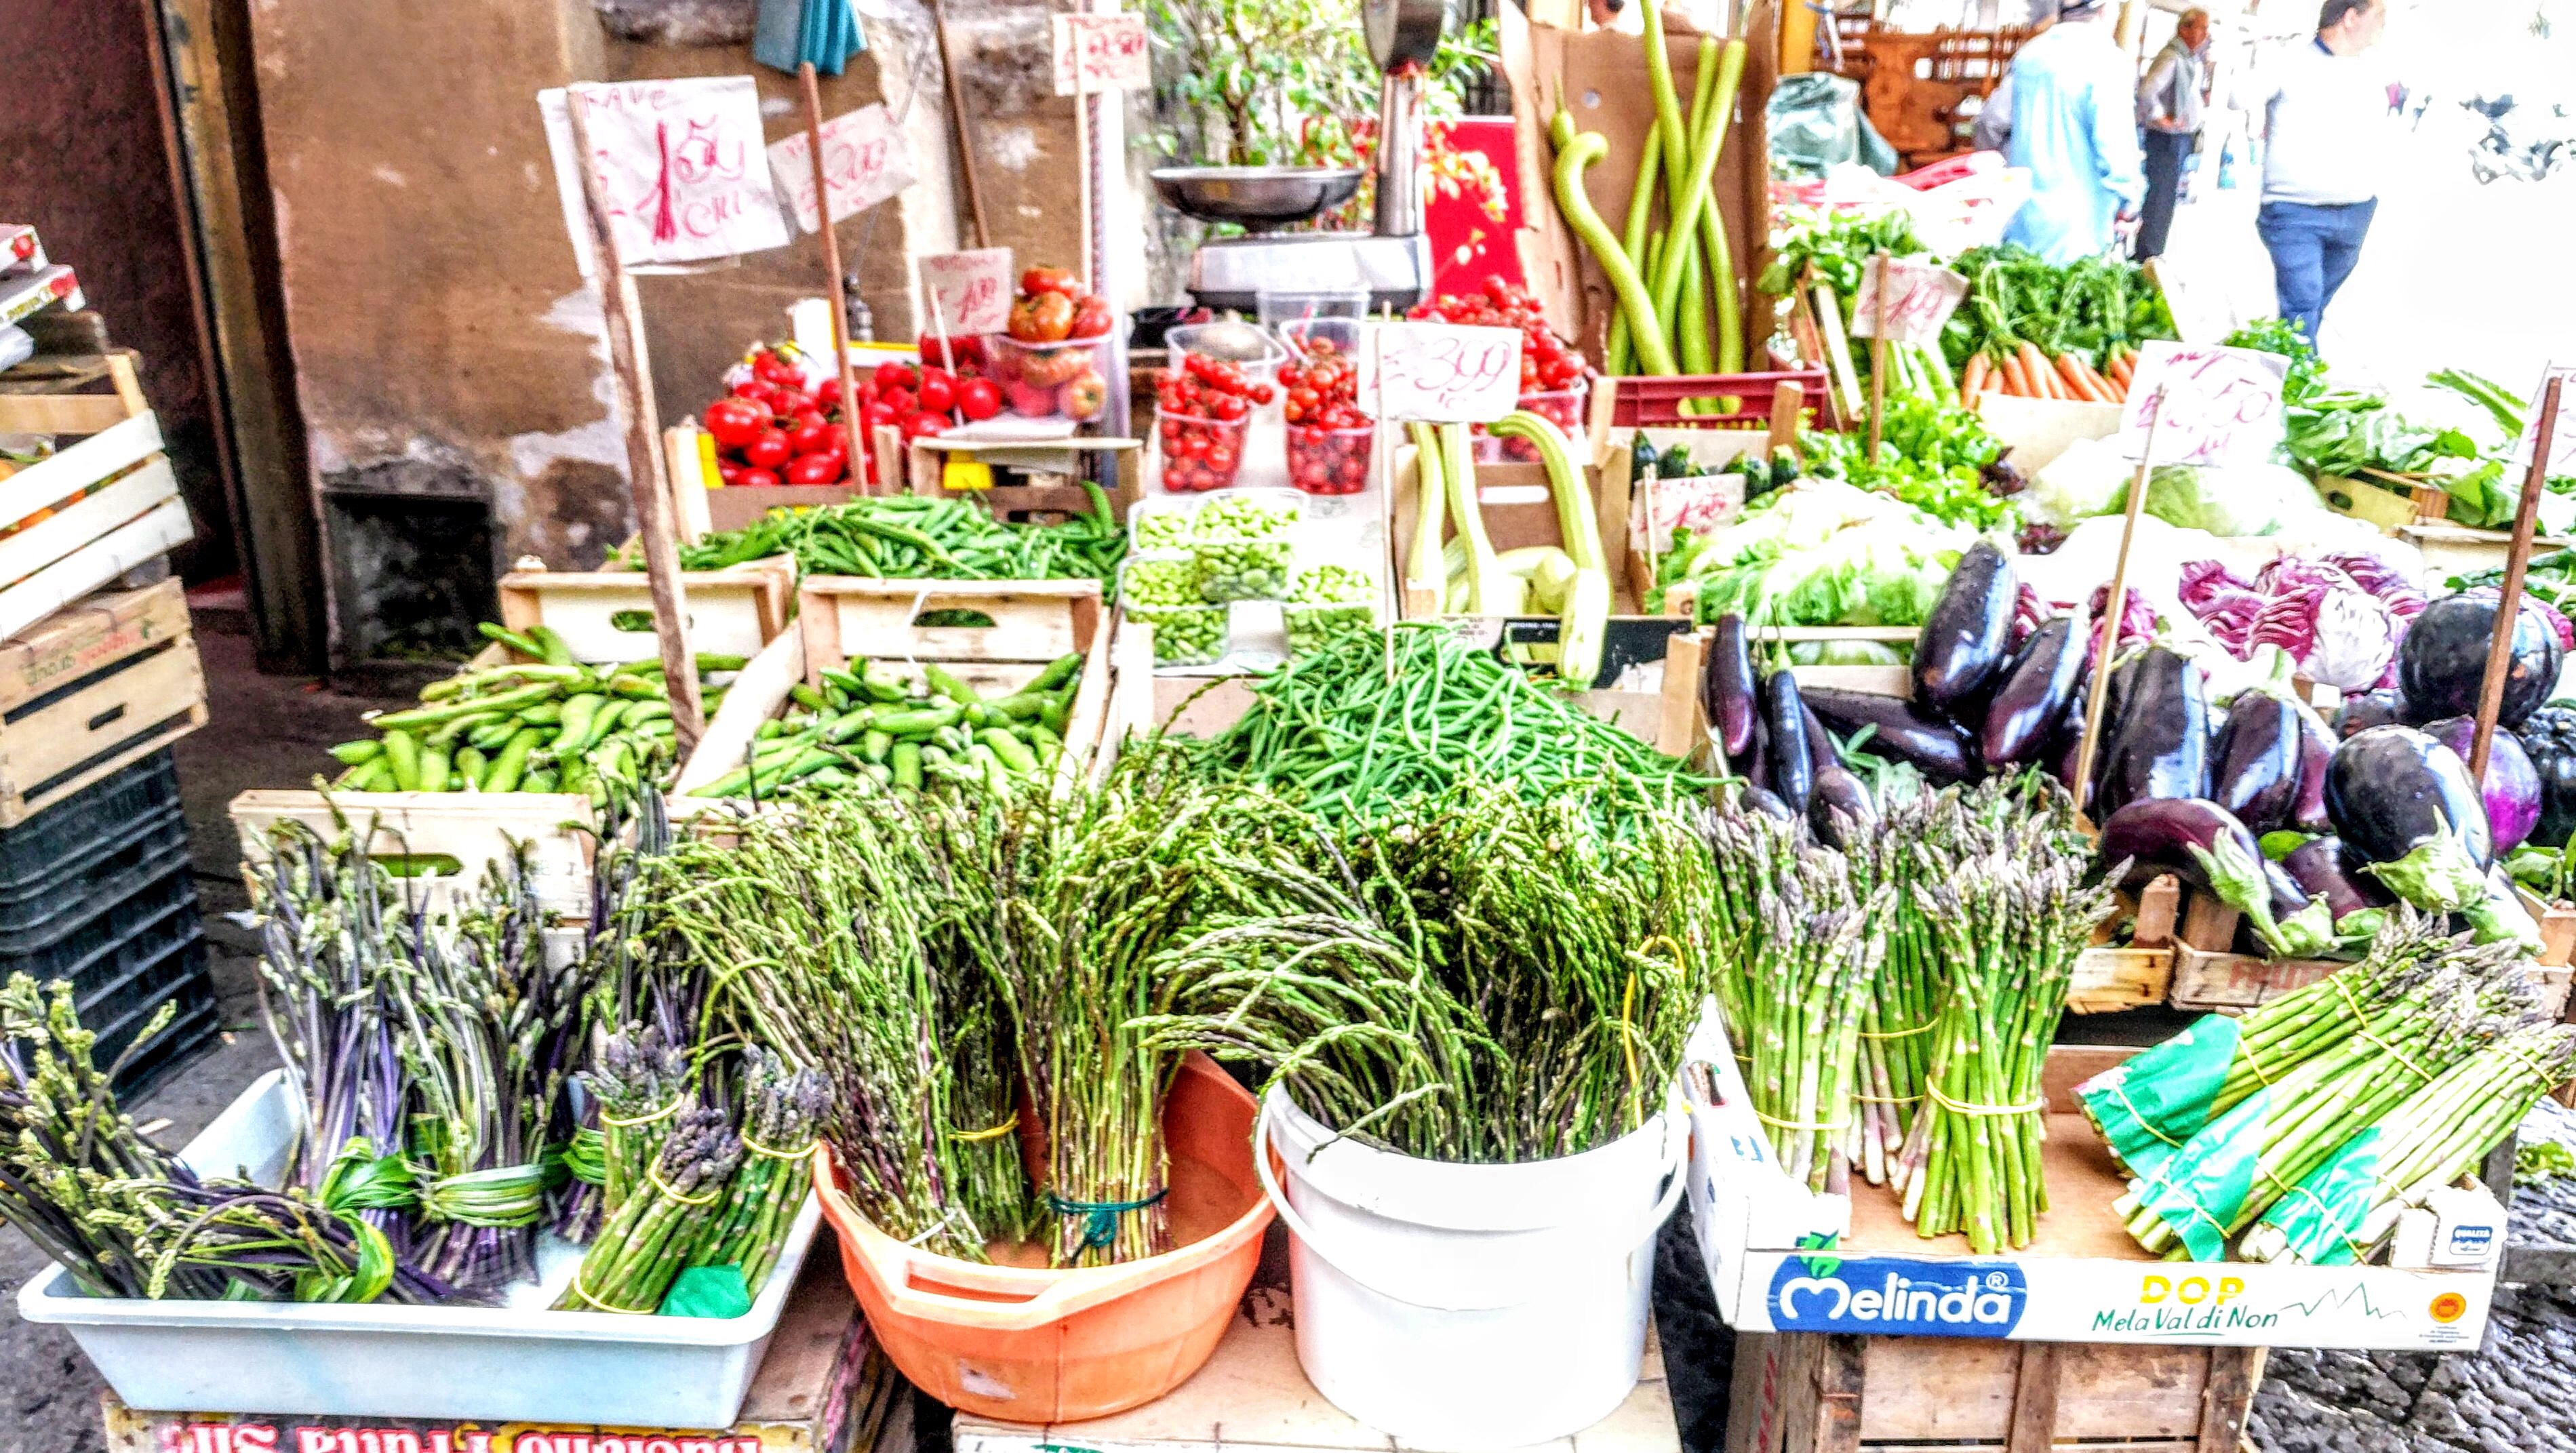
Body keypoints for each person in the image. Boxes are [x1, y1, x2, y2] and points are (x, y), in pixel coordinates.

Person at [2239, 0, 2396, 341]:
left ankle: (2287, 359)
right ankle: (2299, 383)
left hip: (2355, 212)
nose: (2382, 26)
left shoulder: (2373, 72)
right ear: (2351, 17)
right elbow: (2238, 95)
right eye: (2378, 16)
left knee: (2312, 305)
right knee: (2303, 301)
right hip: (2295, 212)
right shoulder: (2289, 61)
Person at [1975, 0, 2147, 264]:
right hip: (2080, 232)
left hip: (2021, 219)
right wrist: (2130, 206)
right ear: (2105, 10)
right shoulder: (2107, 61)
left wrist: (2001, 172)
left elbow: (1989, 122)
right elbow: (2116, 152)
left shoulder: (2030, 55)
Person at [2133, 8, 2212, 260]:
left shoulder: (2190, 60)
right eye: (2202, 27)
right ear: (2185, 29)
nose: (2206, 34)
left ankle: (2152, 251)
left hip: (2179, 139)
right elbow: (2147, 92)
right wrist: (2161, 118)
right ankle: (2148, 254)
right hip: (2167, 139)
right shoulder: (2172, 58)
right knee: (2160, 198)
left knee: (2166, 198)